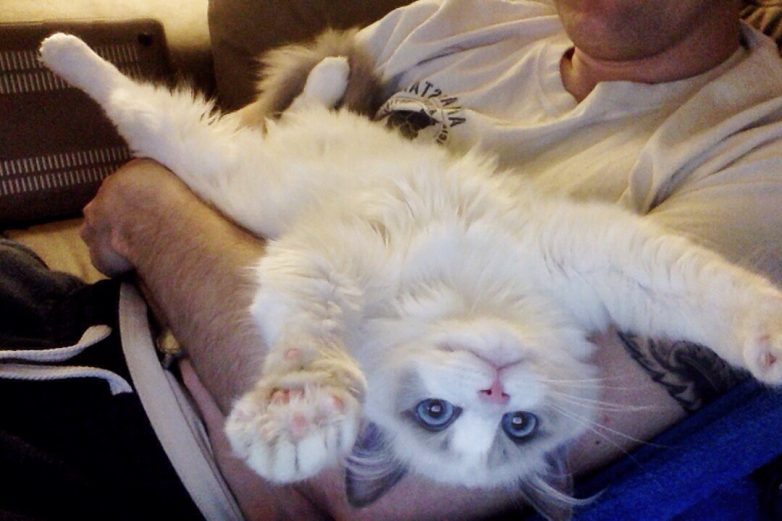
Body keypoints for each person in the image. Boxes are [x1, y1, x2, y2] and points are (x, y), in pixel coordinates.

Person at [69, 0, 782, 519]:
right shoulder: (453, 19)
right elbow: (204, 162)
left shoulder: (758, 152)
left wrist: (151, 216)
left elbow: (372, 486)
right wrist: (157, 214)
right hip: (95, 321)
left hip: (165, 461)